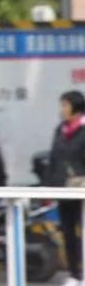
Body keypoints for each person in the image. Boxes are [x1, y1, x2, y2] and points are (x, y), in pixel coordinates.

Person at [47, 90, 85, 286]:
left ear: (75, 108)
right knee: (69, 233)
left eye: (65, 105)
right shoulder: (60, 130)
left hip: (82, 190)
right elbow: (54, 158)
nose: (62, 110)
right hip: (64, 189)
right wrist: (50, 185)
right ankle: (74, 274)